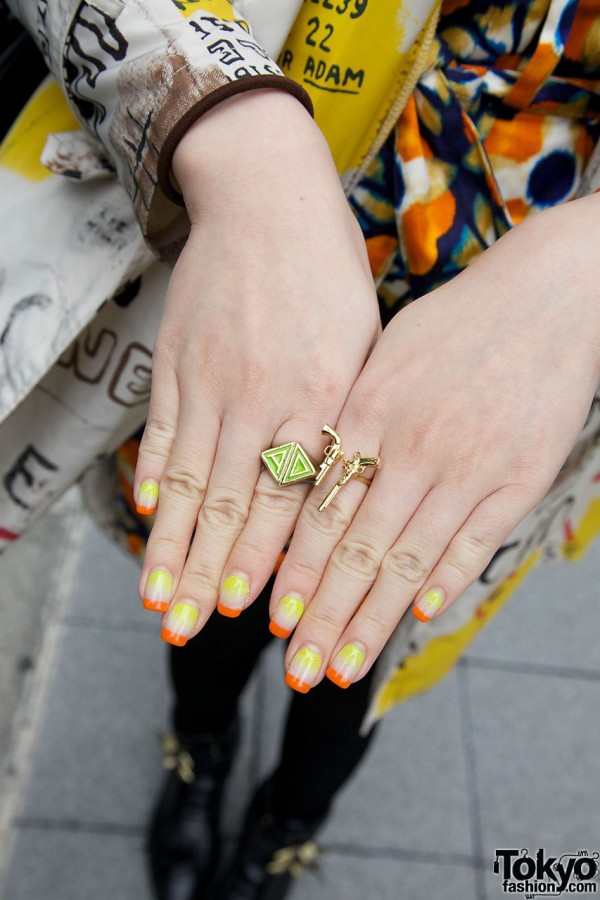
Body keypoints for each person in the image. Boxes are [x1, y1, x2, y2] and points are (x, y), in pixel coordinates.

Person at [1, 1, 599, 898]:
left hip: (523, 358)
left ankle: (287, 823)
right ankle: (200, 753)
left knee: (366, 629)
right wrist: (235, 136)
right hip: (250, 266)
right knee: (222, 569)